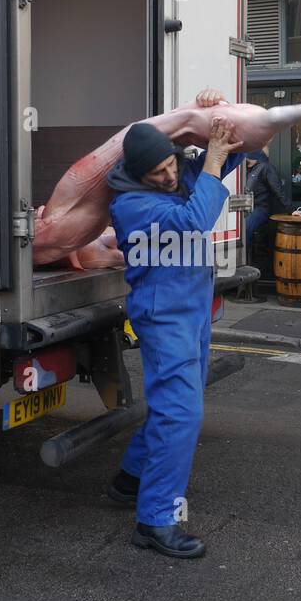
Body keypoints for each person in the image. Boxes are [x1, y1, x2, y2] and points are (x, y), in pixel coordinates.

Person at [104, 115, 244, 558]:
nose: (168, 177)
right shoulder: (131, 204)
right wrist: (214, 159)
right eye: (158, 174)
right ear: (139, 175)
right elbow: (195, 219)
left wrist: (228, 126)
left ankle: (129, 480)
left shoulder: (173, 176)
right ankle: (154, 521)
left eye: (170, 167)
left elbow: (235, 151)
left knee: (173, 406)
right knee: (181, 414)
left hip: (192, 309)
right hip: (165, 316)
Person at [244, 138, 291, 249]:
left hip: (260, 208)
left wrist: (291, 210)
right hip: (245, 208)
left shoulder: (265, 168)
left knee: (244, 228)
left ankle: (242, 259)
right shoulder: (243, 170)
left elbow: (278, 190)